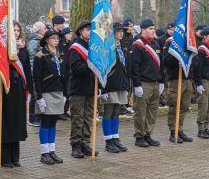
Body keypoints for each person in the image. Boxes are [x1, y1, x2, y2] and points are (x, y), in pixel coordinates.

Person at [0, 21, 32, 167]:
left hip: (19, 89)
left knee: (17, 123)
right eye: (13, 30)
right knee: (6, 123)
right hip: (5, 89)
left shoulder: (23, 49)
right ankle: (4, 158)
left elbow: (27, 71)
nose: (15, 33)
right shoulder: (2, 49)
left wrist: (30, 91)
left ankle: (15, 157)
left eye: (17, 30)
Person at [34, 29, 66, 164]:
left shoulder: (60, 55)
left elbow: (64, 75)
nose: (56, 40)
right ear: (47, 40)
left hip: (58, 92)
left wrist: (65, 93)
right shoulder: (40, 55)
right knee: (45, 122)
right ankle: (44, 153)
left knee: (53, 122)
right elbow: (36, 77)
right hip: (46, 93)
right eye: (53, 38)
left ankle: (52, 151)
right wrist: (39, 97)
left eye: (57, 38)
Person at [130, 19, 164, 147]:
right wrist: (137, 84)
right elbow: (134, 67)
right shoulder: (137, 45)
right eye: (150, 29)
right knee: (141, 111)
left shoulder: (156, 44)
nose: (153, 31)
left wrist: (162, 81)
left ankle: (148, 134)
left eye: (153, 28)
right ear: (143, 30)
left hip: (155, 82)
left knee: (152, 111)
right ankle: (139, 136)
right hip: (144, 83)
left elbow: (161, 64)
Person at [69, 20, 98, 158]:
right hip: (78, 88)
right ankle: (76, 145)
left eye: (91, 30)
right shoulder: (75, 47)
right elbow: (76, 69)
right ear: (81, 31)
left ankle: (85, 142)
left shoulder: (94, 46)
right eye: (87, 30)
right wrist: (90, 64)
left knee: (88, 117)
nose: (89, 32)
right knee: (78, 118)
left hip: (91, 87)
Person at [100, 22, 129, 153]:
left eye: (122, 31)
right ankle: (108, 141)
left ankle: (115, 138)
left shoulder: (121, 46)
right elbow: (103, 68)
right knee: (109, 111)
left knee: (117, 111)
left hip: (121, 83)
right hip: (110, 84)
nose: (121, 33)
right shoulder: (107, 47)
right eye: (118, 31)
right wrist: (103, 88)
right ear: (112, 33)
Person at [163, 28, 195, 143]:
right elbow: (166, 61)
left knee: (184, 107)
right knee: (175, 106)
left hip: (187, 78)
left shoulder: (188, 42)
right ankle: (173, 131)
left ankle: (180, 129)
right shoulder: (170, 42)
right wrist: (178, 59)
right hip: (176, 79)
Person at [194, 26, 209, 139]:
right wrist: (198, 83)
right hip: (204, 80)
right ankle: (201, 129)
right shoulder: (201, 50)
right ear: (205, 36)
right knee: (203, 105)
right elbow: (197, 68)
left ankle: (207, 126)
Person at [27, 22, 47, 127]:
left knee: (39, 94)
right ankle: (32, 118)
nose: (46, 30)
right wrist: (33, 71)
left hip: (40, 72)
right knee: (34, 95)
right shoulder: (34, 41)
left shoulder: (41, 41)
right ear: (39, 30)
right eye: (44, 28)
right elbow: (31, 57)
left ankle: (38, 116)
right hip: (34, 72)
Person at [61, 27, 73, 118]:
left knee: (68, 91)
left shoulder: (70, 44)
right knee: (64, 91)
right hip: (63, 70)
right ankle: (61, 111)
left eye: (71, 34)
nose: (71, 35)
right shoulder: (61, 45)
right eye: (69, 34)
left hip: (69, 70)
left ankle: (65, 110)